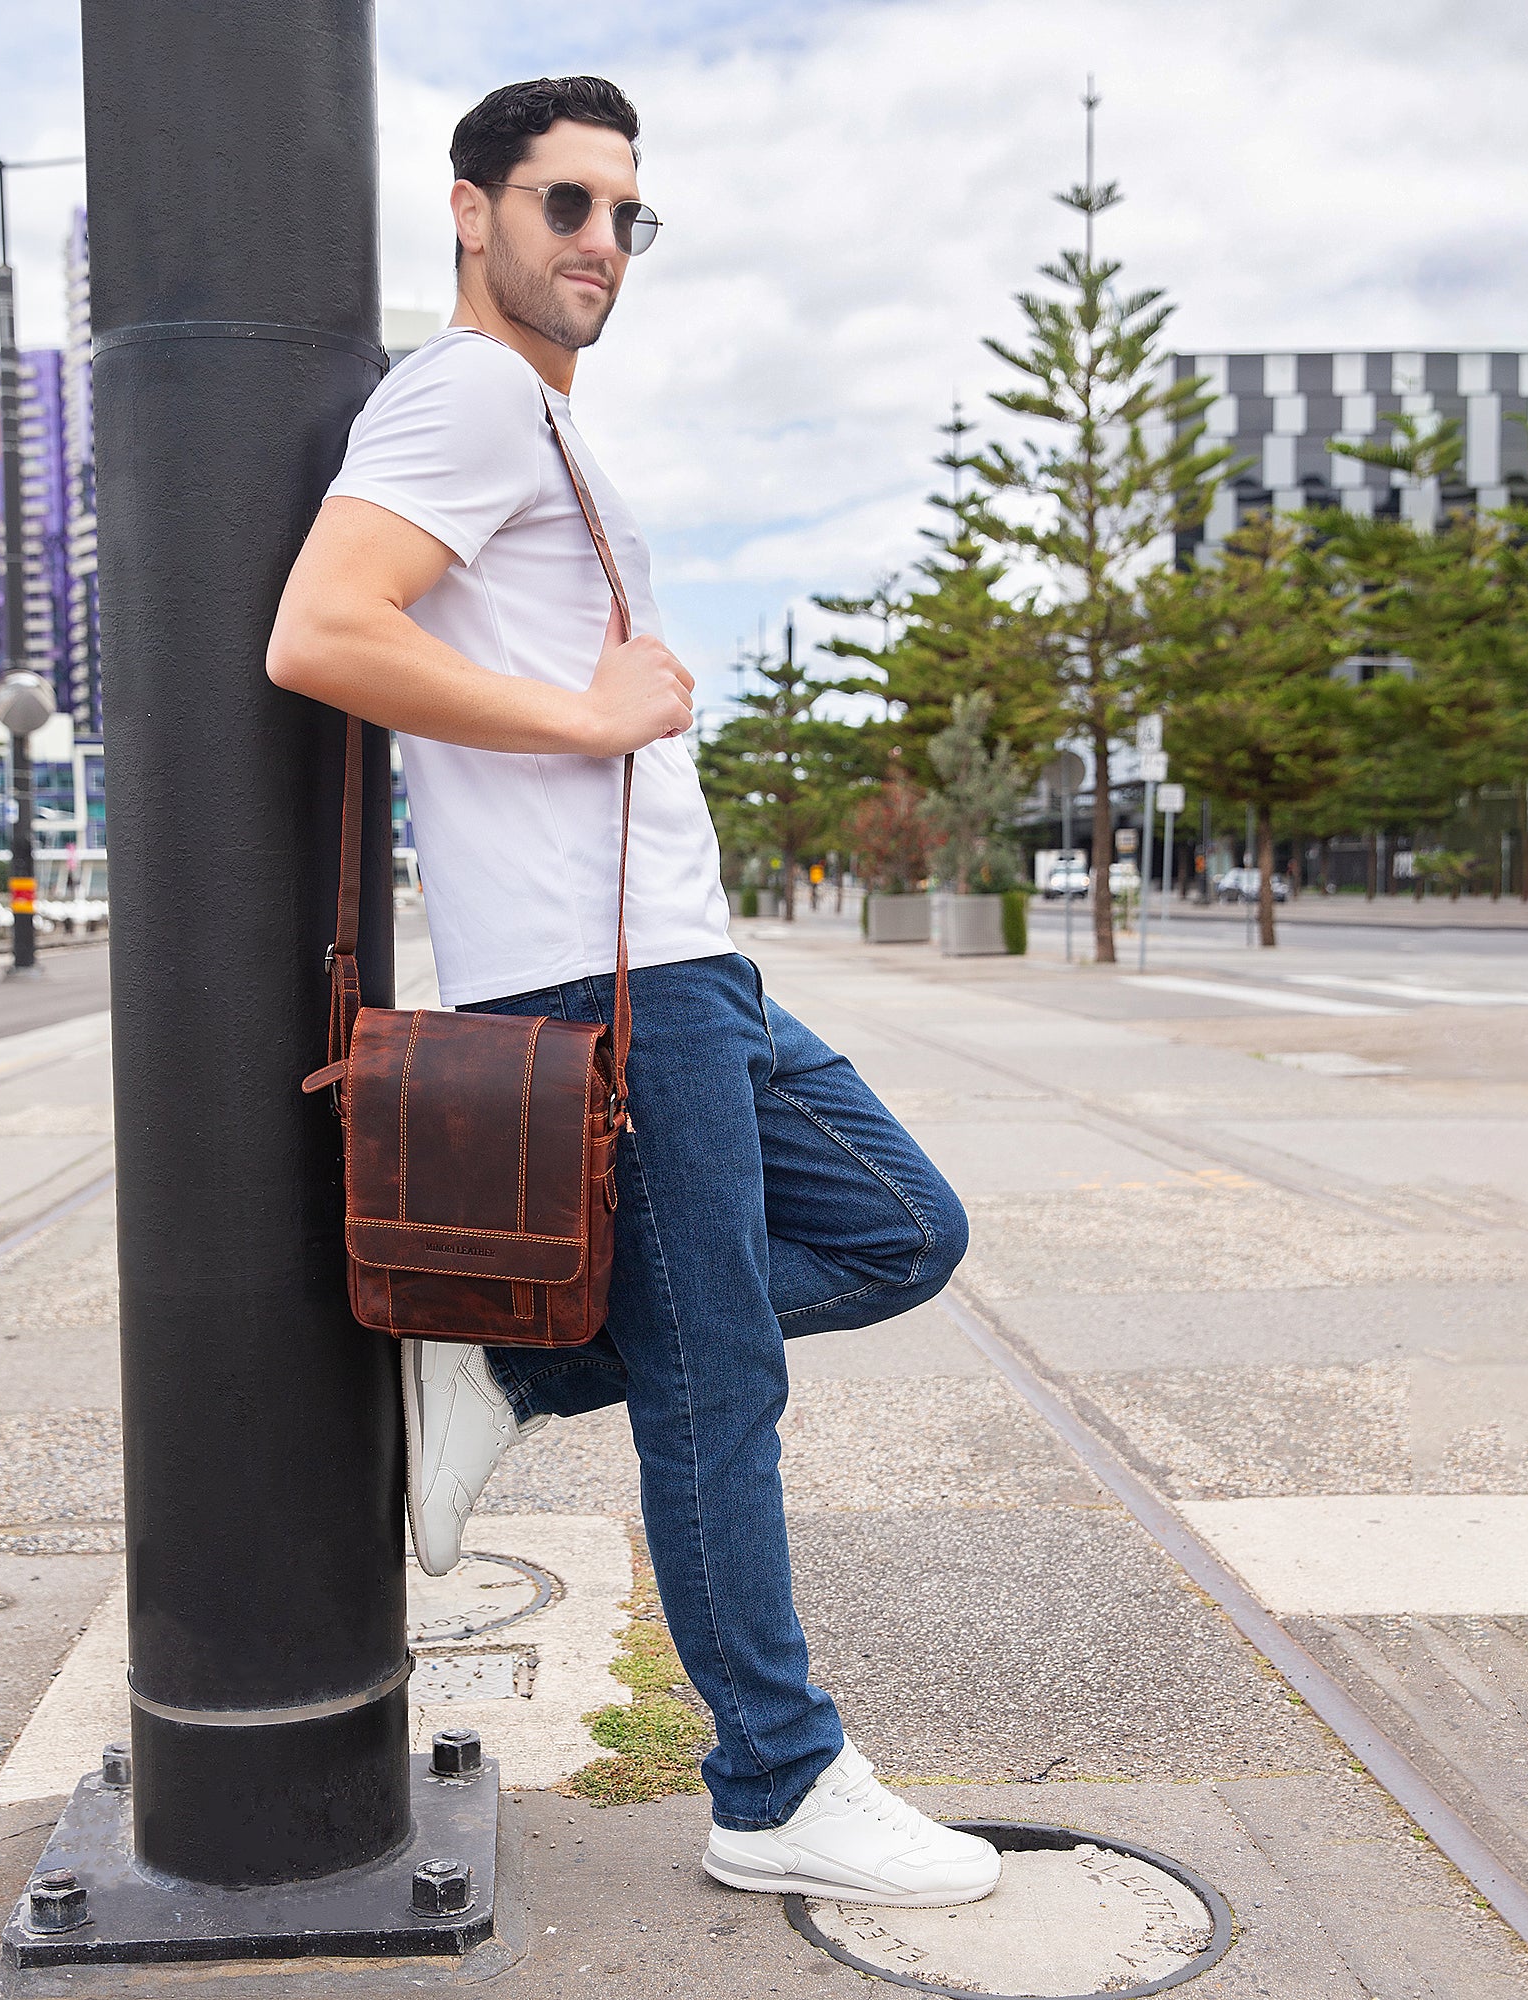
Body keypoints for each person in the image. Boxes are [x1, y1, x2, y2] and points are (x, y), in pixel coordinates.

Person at [266, 74, 998, 1909]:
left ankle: (516, 1363)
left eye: (624, 217)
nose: (600, 243)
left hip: (694, 965)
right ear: (470, 212)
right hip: (605, 986)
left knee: (904, 1227)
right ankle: (776, 1782)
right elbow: (322, 631)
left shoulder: (543, 425)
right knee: (717, 1386)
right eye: (564, 204)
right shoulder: (462, 394)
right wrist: (592, 710)